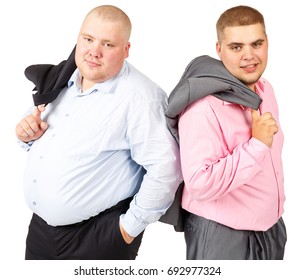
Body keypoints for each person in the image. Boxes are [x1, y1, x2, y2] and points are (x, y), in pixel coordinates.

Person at [15, 5, 181, 260]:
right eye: (88, 39)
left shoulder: (141, 98)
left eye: (108, 44)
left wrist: (128, 229)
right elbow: (39, 136)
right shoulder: (63, 79)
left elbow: (166, 168)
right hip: (39, 232)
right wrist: (26, 135)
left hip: (96, 239)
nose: (94, 51)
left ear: (126, 50)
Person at [166, 5, 287, 259]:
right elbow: (199, 183)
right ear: (219, 49)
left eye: (256, 44)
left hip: (270, 230)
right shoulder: (203, 107)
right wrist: (257, 145)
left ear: (267, 43)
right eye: (236, 47)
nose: (249, 55)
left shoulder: (265, 90)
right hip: (222, 235)